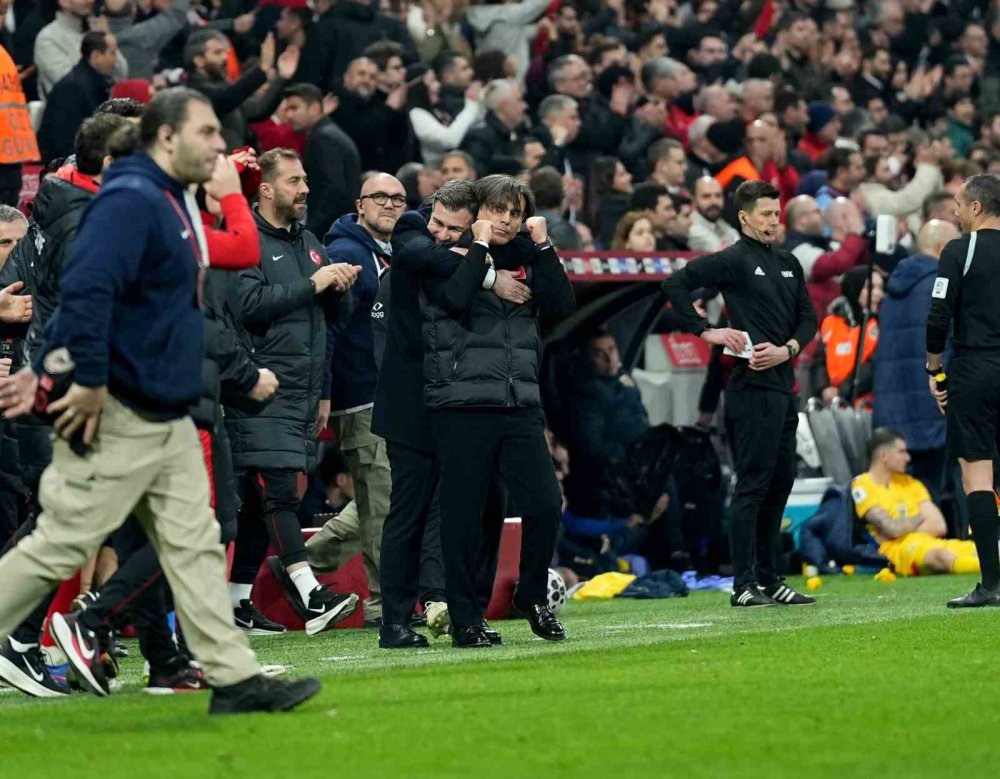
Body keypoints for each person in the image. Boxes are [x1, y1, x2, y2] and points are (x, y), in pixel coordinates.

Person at [0, 87, 320, 713]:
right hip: (123, 402)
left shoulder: (164, 199)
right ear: (166, 139)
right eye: (205, 133)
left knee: (196, 537)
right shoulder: (129, 200)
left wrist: (229, 192)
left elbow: (233, 250)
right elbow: (85, 293)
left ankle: (232, 680)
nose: (218, 145)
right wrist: (84, 380)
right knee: (62, 542)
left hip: (164, 403)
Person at [421, 174, 575, 646]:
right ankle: (467, 618)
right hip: (462, 403)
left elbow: (563, 305)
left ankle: (530, 595)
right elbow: (453, 299)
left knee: (546, 504)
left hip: (519, 402)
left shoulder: (529, 256)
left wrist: (545, 246)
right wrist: (482, 250)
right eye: (497, 210)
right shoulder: (447, 253)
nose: (506, 220)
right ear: (478, 211)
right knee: (468, 517)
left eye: (515, 212)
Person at [373, 179, 524, 648]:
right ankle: (395, 621)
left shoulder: (475, 245)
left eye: (453, 228)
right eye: (437, 221)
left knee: (471, 513)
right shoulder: (411, 231)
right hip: (411, 402)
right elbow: (433, 268)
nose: (440, 233)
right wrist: (487, 272)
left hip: (461, 403)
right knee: (409, 513)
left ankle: (468, 617)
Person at [225, 147, 362, 635]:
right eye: (294, 181)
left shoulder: (311, 243)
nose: (304, 189)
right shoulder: (246, 243)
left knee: (258, 503)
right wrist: (314, 283)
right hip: (258, 385)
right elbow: (248, 304)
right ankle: (309, 593)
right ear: (265, 189)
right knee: (279, 491)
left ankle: (237, 603)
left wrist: (338, 288)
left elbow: (327, 322)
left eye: (305, 180)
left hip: (302, 392)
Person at [662, 180, 818, 607]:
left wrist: (787, 349)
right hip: (750, 389)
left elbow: (808, 320)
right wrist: (708, 332)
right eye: (766, 214)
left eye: (776, 212)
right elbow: (675, 285)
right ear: (745, 217)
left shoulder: (788, 262)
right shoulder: (732, 260)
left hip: (784, 387)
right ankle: (742, 583)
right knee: (752, 483)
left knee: (781, 482)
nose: (773, 220)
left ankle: (770, 578)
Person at [306, 173, 408, 627]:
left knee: (382, 496)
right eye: (380, 197)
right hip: (362, 396)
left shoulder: (390, 252)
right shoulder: (348, 254)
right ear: (360, 205)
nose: (390, 205)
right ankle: (386, 605)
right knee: (383, 502)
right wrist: (326, 391)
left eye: (398, 199)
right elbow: (328, 329)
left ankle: (304, 562)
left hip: (389, 394)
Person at [925, 174, 1000, 608]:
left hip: (975, 366)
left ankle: (991, 584)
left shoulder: (960, 250)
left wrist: (935, 370)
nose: (954, 211)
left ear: (976, 207)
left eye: (958, 204)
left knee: (977, 473)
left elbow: (938, 315)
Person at [874, 219, 960, 499]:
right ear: (941, 248)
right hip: (935, 407)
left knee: (918, 496)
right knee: (954, 491)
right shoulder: (944, 285)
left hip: (896, 411)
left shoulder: (893, 290)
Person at [852, 429, 980, 577]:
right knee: (941, 556)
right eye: (902, 452)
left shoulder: (910, 483)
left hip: (929, 541)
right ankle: (990, 571)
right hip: (898, 550)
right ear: (884, 456)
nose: (907, 458)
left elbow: (939, 526)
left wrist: (901, 526)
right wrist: (919, 518)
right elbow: (891, 529)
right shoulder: (862, 485)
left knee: (985, 548)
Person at [281, 82, 362, 239]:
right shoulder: (327, 133)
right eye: (287, 109)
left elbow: (333, 191)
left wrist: (309, 230)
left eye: (294, 108)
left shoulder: (324, 138)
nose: (289, 115)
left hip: (333, 232)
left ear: (315, 109)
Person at [36, 32, 118, 165]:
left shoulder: (95, 82)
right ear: (96, 56)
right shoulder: (73, 87)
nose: (116, 60)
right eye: (112, 53)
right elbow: (66, 138)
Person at [815, 266, 883, 405]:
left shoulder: (882, 323)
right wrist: (824, 388)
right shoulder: (831, 322)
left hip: (866, 405)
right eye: (870, 287)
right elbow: (818, 362)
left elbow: (874, 366)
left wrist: (841, 391)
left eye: (880, 288)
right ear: (854, 288)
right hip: (832, 405)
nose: (878, 293)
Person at [687, 176, 738, 252]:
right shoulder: (690, 228)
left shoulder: (725, 226)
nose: (714, 202)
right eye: (706, 196)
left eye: (718, 195)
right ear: (693, 200)